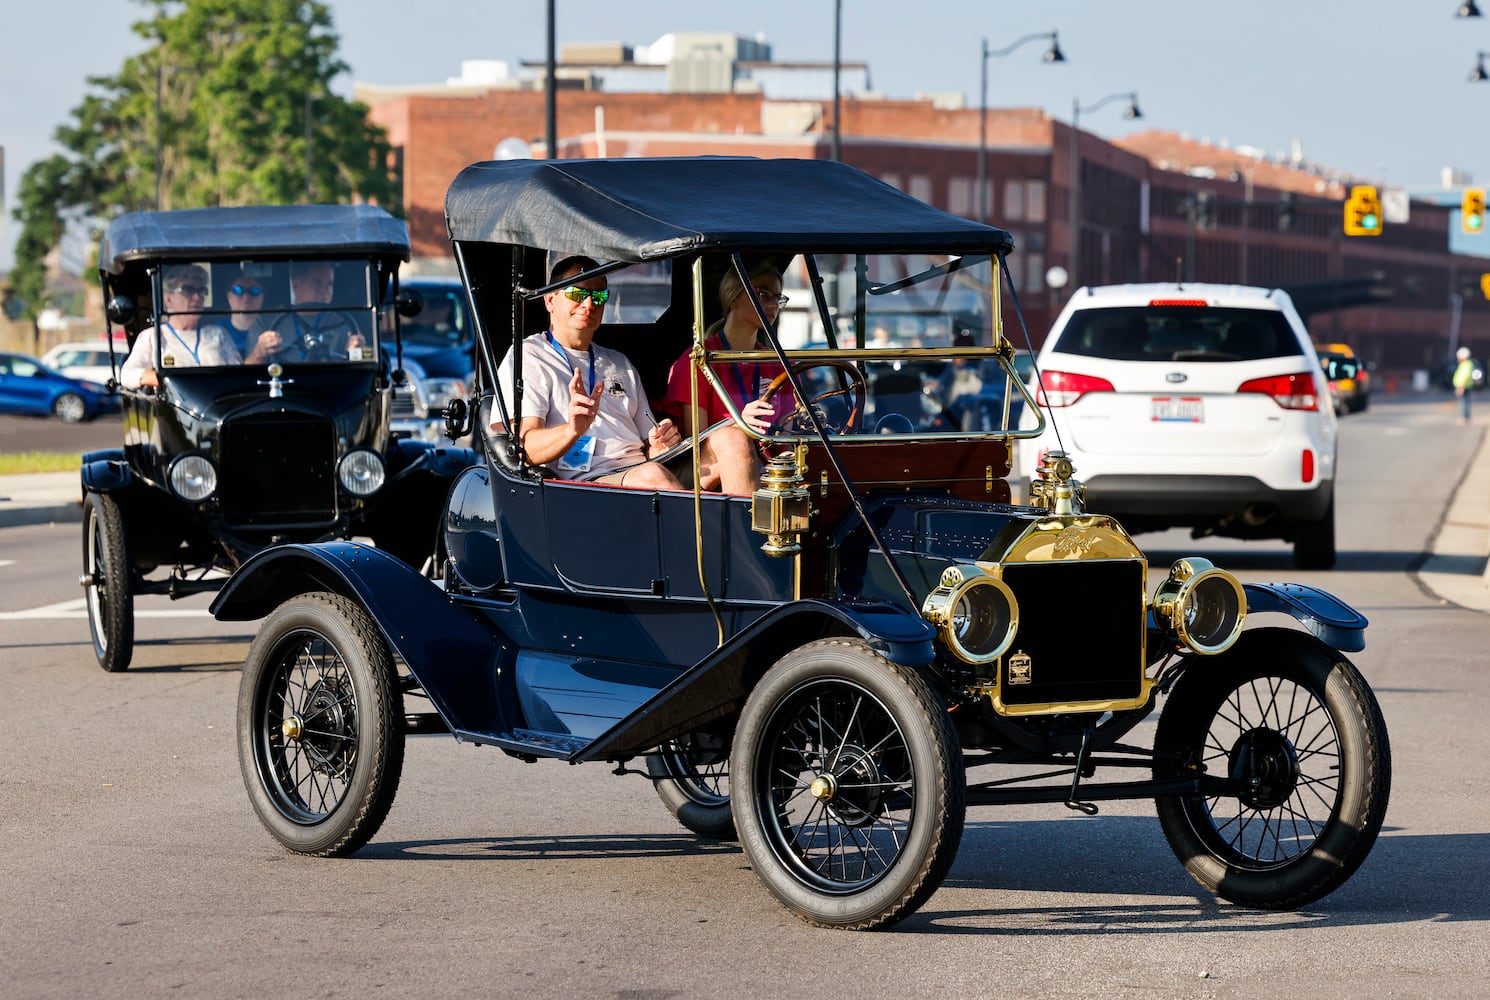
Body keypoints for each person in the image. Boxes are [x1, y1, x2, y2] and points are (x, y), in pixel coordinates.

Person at [494, 255, 682, 488]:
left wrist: (661, 444)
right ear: (550, 300)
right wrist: (573, 429)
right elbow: (526, 449)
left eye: (599, 296)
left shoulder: (620, 362)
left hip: (645, 472)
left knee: (730, 441)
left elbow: (650, 447)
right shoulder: (529, 356)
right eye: (577, 293)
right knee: (653, 475)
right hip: (592, 485)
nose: (589, 304)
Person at [663, 262, 795, 494]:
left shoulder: (780, 363)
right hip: (702, 467)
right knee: (733, 441)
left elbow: (786, 436)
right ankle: (747, 527)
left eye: (777, 297)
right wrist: (739, 423)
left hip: (765, 463)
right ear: (733, 298)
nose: (773, 304)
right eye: (762, 294)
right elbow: (696, 440)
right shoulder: (699, 359)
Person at [120, 264, 243, 389]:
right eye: (188, 290)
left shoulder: (218, 334)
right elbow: (127, 374)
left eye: (201, 291)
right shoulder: (153, 337)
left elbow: (238, 373)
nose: (197, 297)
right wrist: (162, 380)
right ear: (168, 299)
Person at [254, 261, 366, 362]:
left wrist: (357, 352)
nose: (325, 290)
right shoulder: (266, 321)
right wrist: (259, 353)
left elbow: (363, 368)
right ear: (296, 285)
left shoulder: (345, 323)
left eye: (329, 284)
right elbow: (246, 371)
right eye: (317, 283)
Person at [1453, 346, 1476, 424]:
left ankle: (1465, 418)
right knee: (1464, 402)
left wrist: (1461, 387)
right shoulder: (1465, 364)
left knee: (1464, 402)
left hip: (1464, 386)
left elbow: (1465, 376)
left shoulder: (1467, 364)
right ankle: (1465, 417)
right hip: (1463, 386)